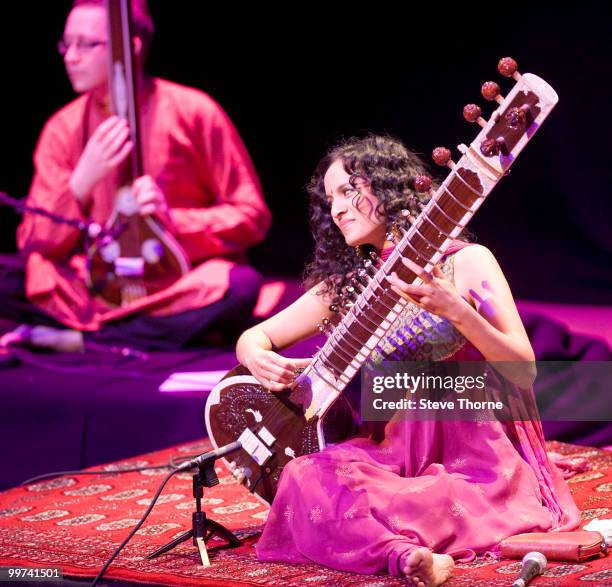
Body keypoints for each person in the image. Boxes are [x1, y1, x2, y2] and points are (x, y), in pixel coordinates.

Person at [235, 135, 580, 585]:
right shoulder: (349, 287)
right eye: (330, 199)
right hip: (391, 453)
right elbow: (255, 336)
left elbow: (524, 367)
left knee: (432, 499)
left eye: (349, 190)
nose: (337, 209)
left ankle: (395, 548)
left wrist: (454, 308)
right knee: (302, 477)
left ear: (389, 187)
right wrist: (256, 356)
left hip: (472, 456)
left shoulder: (466, 262)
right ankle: (406, 558)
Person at [1, 0, 271, 352]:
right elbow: (35, 242)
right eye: (67, 44)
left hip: (176, 284)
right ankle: (129, 334)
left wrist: (171, 221)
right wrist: (79, 185)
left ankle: (84, 339)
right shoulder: (62, 127)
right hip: (94, 286)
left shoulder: (194, 110)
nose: (70, 57)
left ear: (130, 47)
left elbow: (252, 216)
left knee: (240, 285)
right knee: (12, 276)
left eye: (86, 44)